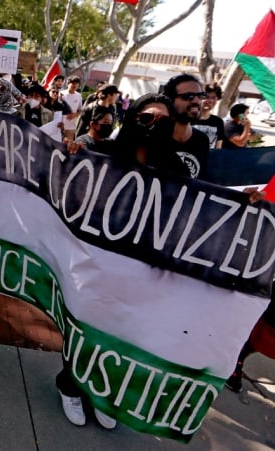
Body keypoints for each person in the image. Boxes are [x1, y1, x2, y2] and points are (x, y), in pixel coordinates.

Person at [57, 94, 189, 430]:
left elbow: (198, 211)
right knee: (87, 328)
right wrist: (71, 156)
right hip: (99, 262)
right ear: (132, 120)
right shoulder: (103, 155)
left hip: (143, 270)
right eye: (146, 117)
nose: (152, 125)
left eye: (162, 120)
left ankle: (102, 393)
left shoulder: (175, 169)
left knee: (124, 335)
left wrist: (249, 202)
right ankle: (71, 386)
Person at [162, 73, 210, 179]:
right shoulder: (151, 135)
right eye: (188, 96)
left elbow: (203, 185)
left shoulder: (202, 140)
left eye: (200, 96)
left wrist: (241, 195)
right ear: (170, 101)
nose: (197, 101)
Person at [192, 82, 225, 149]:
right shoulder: (189, 118)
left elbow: (218, 146)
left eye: (213, 98)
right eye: (206, 97)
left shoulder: (218, 121)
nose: (209, 101)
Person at [61, 76, 83, 140]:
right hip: (60, 125)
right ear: (68, 84)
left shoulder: (79, 96)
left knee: (68, 146)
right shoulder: (61, 93)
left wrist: (74, 115)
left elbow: (80, 110)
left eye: (77, 83)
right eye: (73, 83)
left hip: (71, 127)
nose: (75, 85)